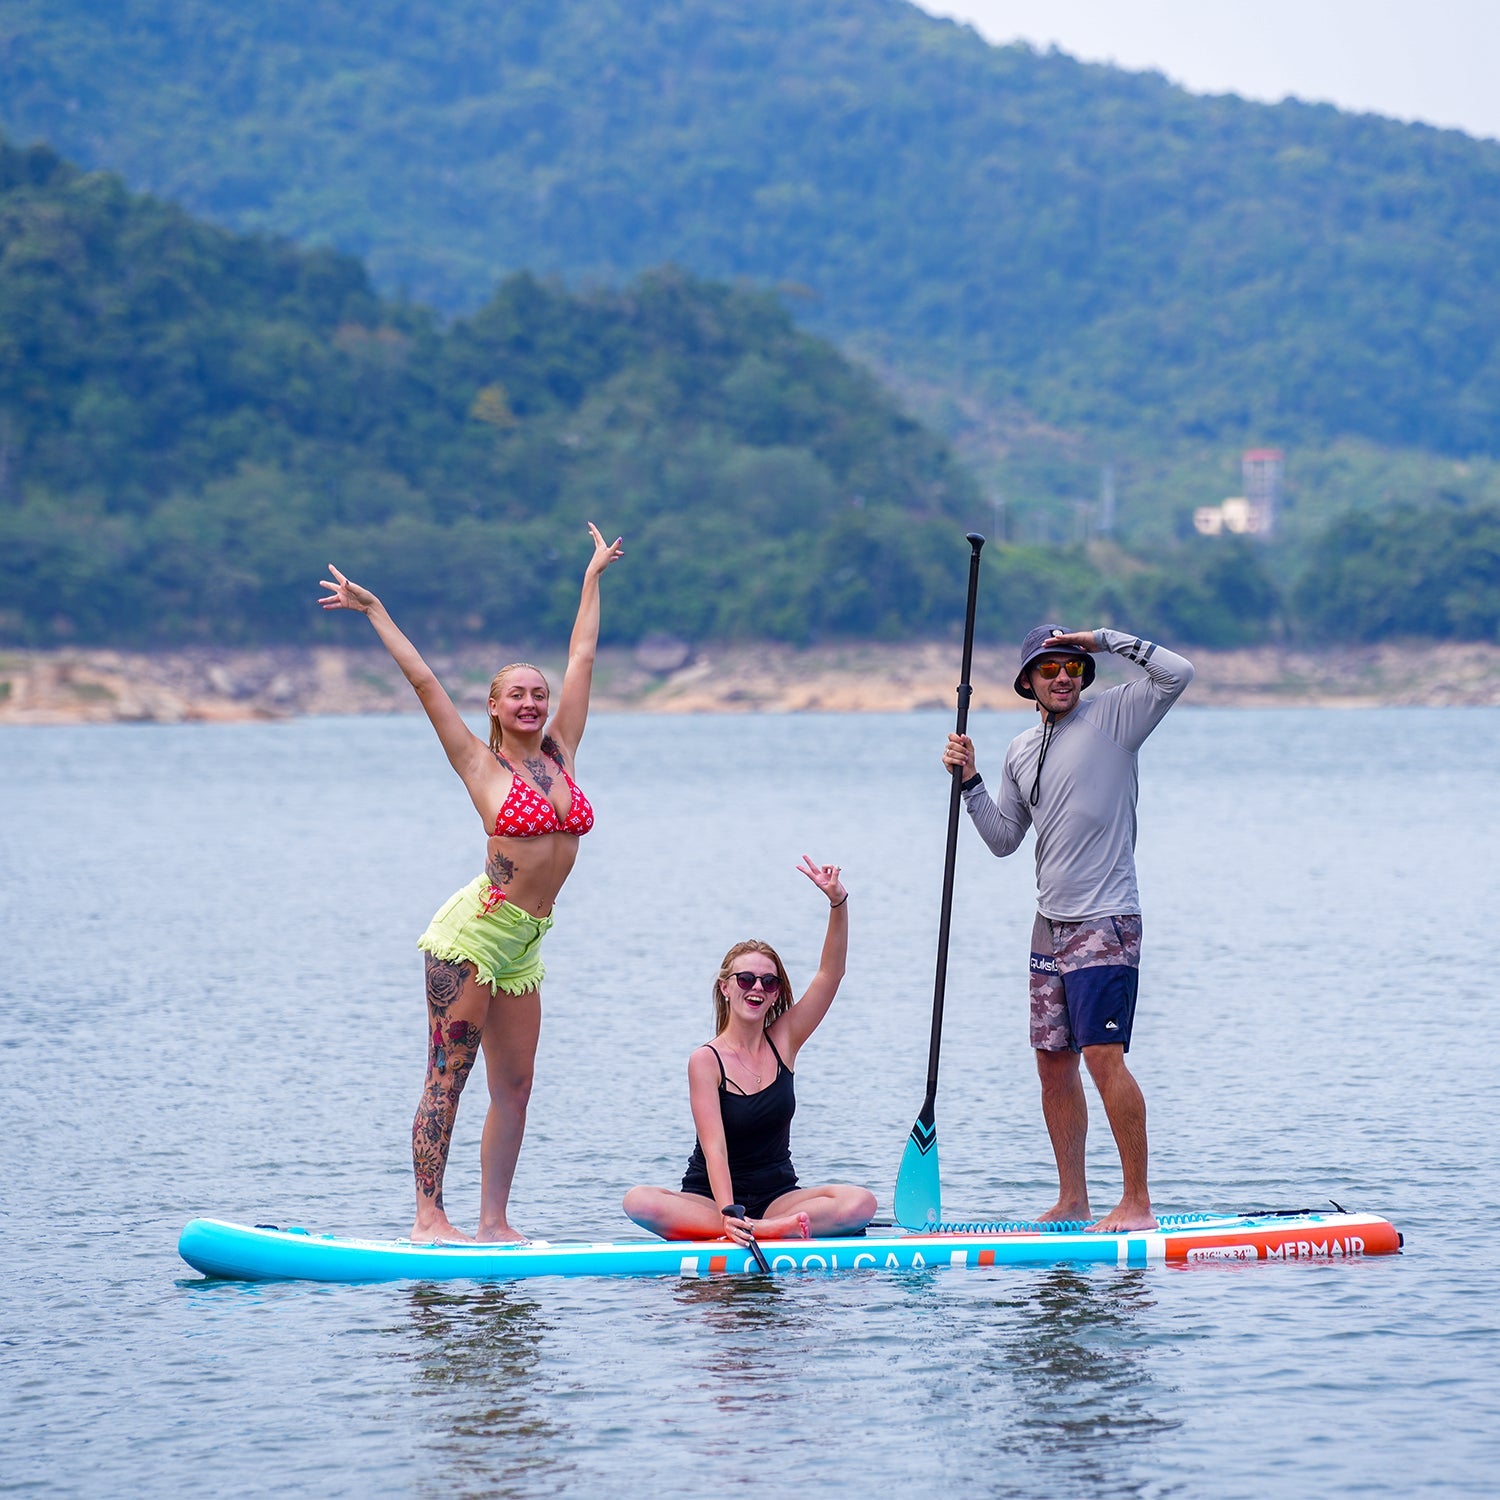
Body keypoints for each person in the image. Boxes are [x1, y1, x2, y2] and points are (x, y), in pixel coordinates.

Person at [318, 523, 624, 1243]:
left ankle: (494, 1223)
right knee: (446, 1077)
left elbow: (583, 653)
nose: (531, 703)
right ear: (492, 706)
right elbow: (424, 680)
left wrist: (592, 577)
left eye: (537, 694)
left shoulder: (563, 750)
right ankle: (429, 1217)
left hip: (526, 943)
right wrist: (375, 611)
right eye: (516, 694)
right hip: (472, 935)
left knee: (515, 1087)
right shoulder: (479, 764)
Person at [942, 624, 1193, 1233]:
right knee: (1053, 1062)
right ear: (1028, 681)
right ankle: (1074, 1199)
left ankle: (1137, 1202)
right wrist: (970, 782)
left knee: (1104, 1057)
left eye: (1073, 668)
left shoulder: (1116, 719)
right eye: (1049, 669)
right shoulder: (1021, 749)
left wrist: (1100, 638)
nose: (1063, 677)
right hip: (1048, 925)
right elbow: (1004, 841)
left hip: (1106, 917)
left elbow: (1178, 672)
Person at [623, 859, 877, 1247]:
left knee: (860, 1203)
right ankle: (759, 1232)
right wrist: (731, 1217)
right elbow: (715, 1148)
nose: (756, 987)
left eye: (768, 981)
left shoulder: (785, 1041)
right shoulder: (705, 1061)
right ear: (726, 987)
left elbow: (830, 973)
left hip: (778, 1199)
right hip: (710, 1201)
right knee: (638, 1201)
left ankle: (768, 1226)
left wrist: (838, 903)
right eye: (746, 978)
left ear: (776, 992)